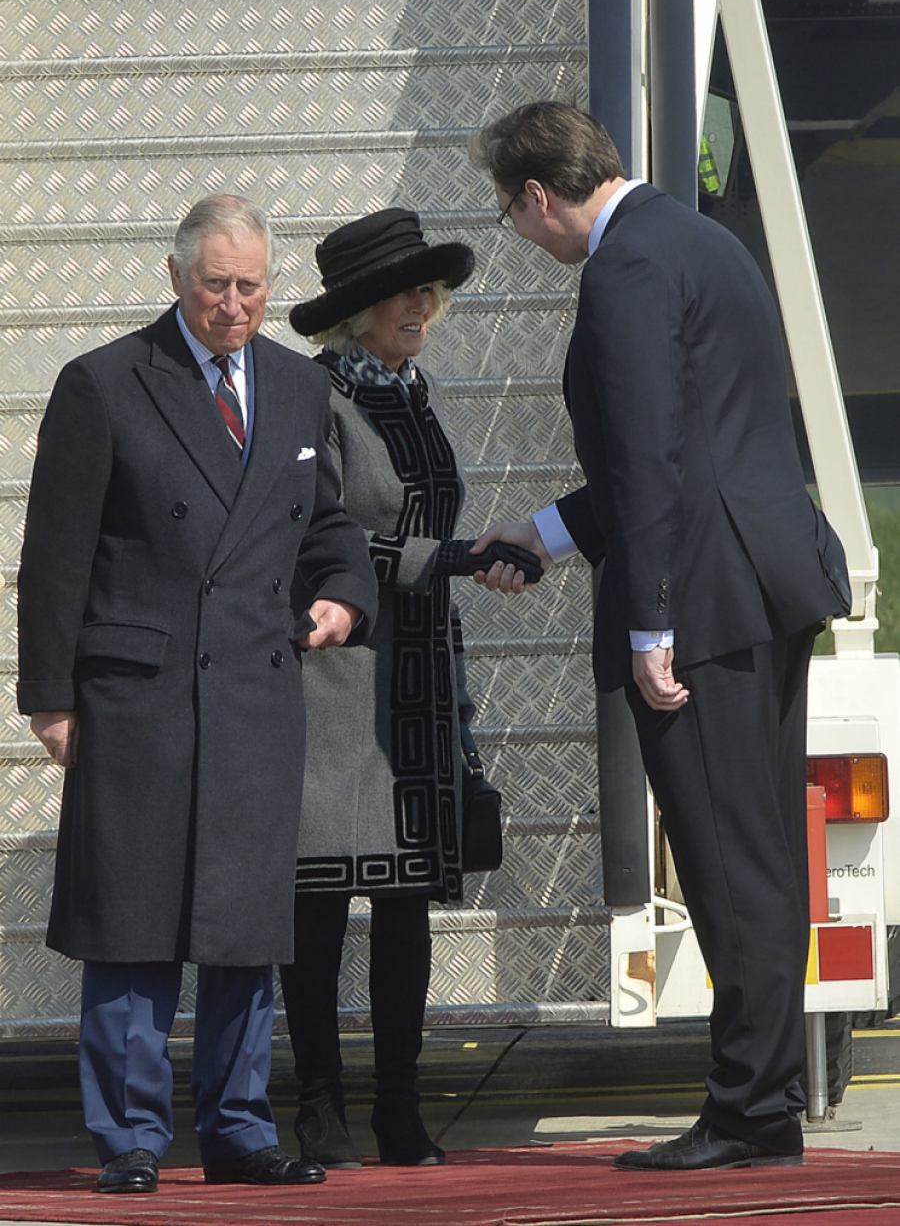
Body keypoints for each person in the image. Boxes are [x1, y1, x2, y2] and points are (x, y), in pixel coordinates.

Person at [468, 102, 851, 1171]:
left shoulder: (625, 268)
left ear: (537, 195)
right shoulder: (697, 238)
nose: (520, 233)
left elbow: (648, 460)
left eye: (509, 215)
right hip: (761, 582)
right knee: (761, 853)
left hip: (704, 602)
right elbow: (693, 443)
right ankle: (764, 1098)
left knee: (728, 860)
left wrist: (653, 622)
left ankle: (750, 1109)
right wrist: (546, 533)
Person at [16, 194, 379, 1193]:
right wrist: (51, 696)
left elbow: (326, 524)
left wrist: (345, 592)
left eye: (250, 287)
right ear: (176, 277)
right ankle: (131, 1137)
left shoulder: (300, 388)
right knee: (132, 920)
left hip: (255, 691)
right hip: (139, 695)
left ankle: (238, 1128)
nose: (233, 305)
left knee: (241, 922)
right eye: (215, 284)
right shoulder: (104, 383)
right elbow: (55, 555)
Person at [282, 207, 542, 1169]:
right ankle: (319, 1108)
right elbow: (324, 538)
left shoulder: (413, 391)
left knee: (403, 906)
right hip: (335, 677)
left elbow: (426, 530)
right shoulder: (315, 396)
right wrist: (459, 556)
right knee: (316, 902)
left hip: (420, 678)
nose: (422, 305)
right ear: (357, 312)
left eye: (429, 289)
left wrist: (471, 558)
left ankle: (400, 1108)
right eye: (404, 292)